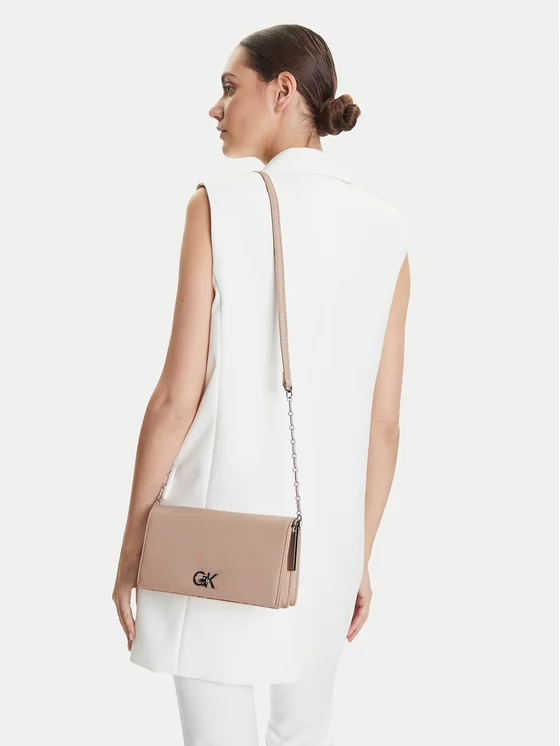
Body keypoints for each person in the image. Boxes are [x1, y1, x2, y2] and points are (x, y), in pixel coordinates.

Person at [112, 23, 411, 746]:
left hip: (211, 540)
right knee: (303, 734)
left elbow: (176, 399)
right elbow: (383, 425)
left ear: (282, 90)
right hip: (327, 548)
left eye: (229, 87)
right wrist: (357, 555)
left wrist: (132, 546)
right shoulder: (387, 229)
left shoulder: (217, 204)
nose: (215, 109)